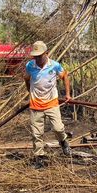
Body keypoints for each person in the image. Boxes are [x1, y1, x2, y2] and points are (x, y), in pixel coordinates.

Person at [24, 40, 72, 168]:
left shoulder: (55, 65)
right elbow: (26, 79)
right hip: (35, 104)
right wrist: (30, 91)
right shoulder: (30, 66)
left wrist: (67, 94)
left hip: (51, 103)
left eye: (40, 56)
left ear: (47, 53)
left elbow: (65, 76)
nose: (38, 59)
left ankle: (63, 141)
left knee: (58, 128)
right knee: (37, 133)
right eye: (36, 56)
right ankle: (39, 158)